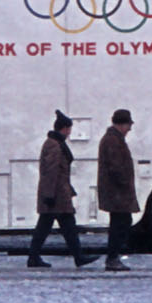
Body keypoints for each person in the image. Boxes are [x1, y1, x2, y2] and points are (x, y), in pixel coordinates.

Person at [27, 110, 98, 268]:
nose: (70, 133)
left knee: (59, 227)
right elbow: (51, 172)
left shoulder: (54, 143)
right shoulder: (54, 145)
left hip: (57, 194)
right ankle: (76, 257)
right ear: (64, 129)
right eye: (69, 129)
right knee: (57, 227)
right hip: (56, 196)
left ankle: (76, 257)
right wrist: (50, 195)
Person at [97, 107, 139, 271]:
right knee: (120, 224)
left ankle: (114, 256)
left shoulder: (113, 138)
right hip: (117, 192)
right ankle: (113, 257)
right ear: (122, 124)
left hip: (116, 192)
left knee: (121, 222)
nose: (130, 129)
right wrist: (124, 184)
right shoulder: (113, 140)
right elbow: (116, 167)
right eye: (129, 125)